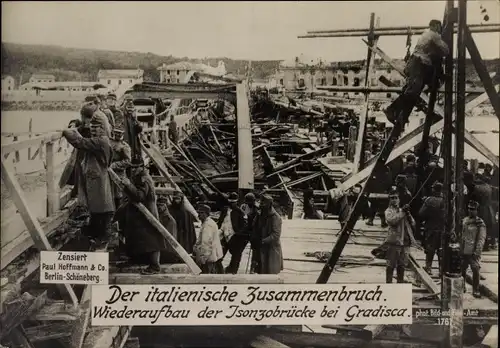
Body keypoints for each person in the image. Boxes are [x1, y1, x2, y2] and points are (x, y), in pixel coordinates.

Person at [62, 116, 115, 250]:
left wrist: (66, 132)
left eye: (96, 127)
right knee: (99, 207)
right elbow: (84, 137)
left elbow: (80, 142)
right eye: (91, 127)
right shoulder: (100, 139)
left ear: (102, 128)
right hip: (96, 178)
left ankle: (102, 238)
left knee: (102, 208)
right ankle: (99, 235)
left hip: (98, 179)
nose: (93, 130)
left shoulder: (101, 141)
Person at [384, 20, 449, 126]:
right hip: (417, 64)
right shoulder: (432, 34)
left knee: (418, 90)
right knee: (412, 92)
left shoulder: (426, 35)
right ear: (435, 26)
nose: (440, 29)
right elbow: (446, 51)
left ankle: (401, 115)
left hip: (420, 65)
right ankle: (391, 110)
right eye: (439, 26)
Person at [120, 158, 167, 274]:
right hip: (139, 213)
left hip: (147, 213)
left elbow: (140, 196)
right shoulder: (139, 176)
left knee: (151, 239)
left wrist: (128, 185)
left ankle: (155, 266)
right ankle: (134, 260)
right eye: (133, 167)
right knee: (135, 236)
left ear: (142, 167)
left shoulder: (143, 178)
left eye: (136, 167)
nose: (134, 170)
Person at [384, 189, 417, 283]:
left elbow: (413, 224)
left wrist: (409, 214)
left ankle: (400, 284)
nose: (394, 200)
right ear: (389, 200)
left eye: (396, 198)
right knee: (390, 265)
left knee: (402, 265)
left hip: (405, 242)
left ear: (399, 199)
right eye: (392, 198)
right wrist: (403, 212)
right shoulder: (388, 211)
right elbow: (392, 221)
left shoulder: (403, 210)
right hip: (394, 242)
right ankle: (388, 285)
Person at [461, 201, 487, 298]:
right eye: (469, 208)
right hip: (464, 250)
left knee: (475, 269)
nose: (470, 211)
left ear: (477, 211)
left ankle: (475, 290)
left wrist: (477, 251)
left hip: (473, 251)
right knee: (462, 269)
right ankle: (462, 287)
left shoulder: (480, 223)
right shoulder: (465, 220)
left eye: (472, 209)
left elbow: (481, 239)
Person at [419, 181, 445, 275]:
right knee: (441, 250)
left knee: (430, 249)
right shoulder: (446, 200)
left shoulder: (429, 200)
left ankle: (428, 268)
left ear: (434, 189)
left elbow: (421, 213)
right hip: (442, 229)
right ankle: (441, 270)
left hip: (431, 227)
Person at [254, 194, 283, 274]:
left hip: (271, 249)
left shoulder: (276, 218)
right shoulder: (261, 215)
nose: (261, 206)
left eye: (263, 205)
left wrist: (262, 241)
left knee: (270, 272)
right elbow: (256, 227)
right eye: (261, 204)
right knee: (261, 271)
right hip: (261, 248)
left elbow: (276, 235)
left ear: (269, 205)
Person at [218, 192, 247, 274]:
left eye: (233, 202)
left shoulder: (240, 212)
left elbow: (243, 227)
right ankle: (219, 271)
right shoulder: (224, 210)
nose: (232, 204)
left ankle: (233, 272)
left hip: (235, 237)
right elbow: (220, 222)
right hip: (224, 236)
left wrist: (238, 235)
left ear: (236, 202)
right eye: (230, 202)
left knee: (236, 257)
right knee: (219, 256)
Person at [194, 204, 224, 274]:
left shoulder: (208, 225)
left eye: (201, 213)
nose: (199, 215)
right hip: (212, 256)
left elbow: (206, 243)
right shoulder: (207, 223)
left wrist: (203, 259)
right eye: (198, 213)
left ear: (206, 214)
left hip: (209, 258)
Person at [109, 128, 131, 210]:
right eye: (116, 133)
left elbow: (127, 161)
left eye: (120, 133)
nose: (118, 135)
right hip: (108, 172)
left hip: (118, 174)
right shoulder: (109, 142)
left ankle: (118, 215)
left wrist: (114, 165)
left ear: (123, 134)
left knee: (118, 196)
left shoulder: (124, 146)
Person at [241, 193, 260, 273]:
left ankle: (253, 268)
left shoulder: (257, 209)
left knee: (255, 251)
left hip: (254, 231)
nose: (248, 204)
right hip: (247, 230)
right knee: (240, 247)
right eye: (247, 202)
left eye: (250, 202)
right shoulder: (244, 206)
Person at [157, 193, 179, 263]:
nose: (159, 207)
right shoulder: (158, 217)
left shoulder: (169, 219)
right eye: (158, 205)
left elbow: (170, 237)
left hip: (168, 249)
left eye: (161, 205)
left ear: (165, 206)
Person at [121, 94, 143, 161]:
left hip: (132, 141)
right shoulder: (121, 114)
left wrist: (136, 121)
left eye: (131, 101)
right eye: (128, 101)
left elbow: (138, 129)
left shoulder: (132, 116)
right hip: (125, 141)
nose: (130, 103)